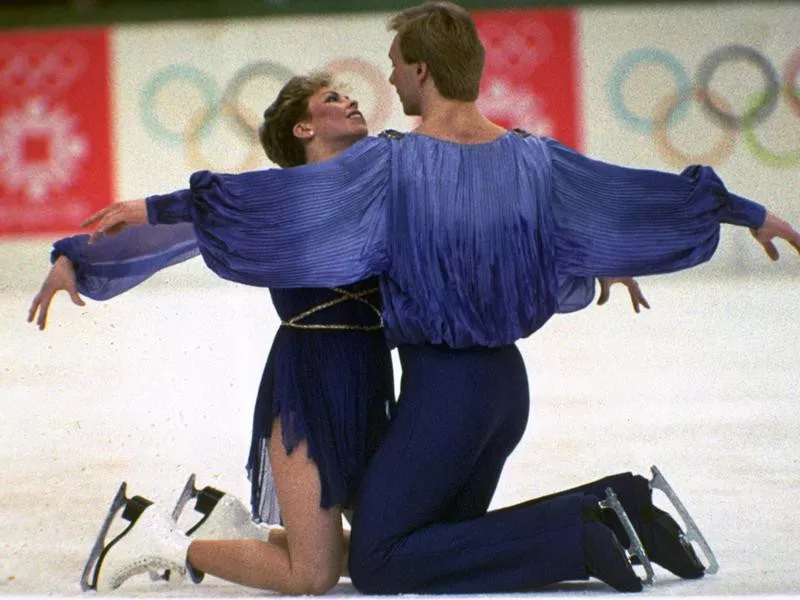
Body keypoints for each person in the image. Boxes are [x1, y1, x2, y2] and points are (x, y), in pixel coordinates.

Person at [48, 1, 800, 594]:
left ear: (419, 72)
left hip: (442, 387)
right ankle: (623, 504)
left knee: (376, 564)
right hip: (502, 387)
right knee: (433, 544)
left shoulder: (389, 167)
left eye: (392, 68)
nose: (384, 84)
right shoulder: (535, 160)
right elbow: (629, 198)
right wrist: (739, 211)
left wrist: (154, 206)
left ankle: (586, 526)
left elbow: (257, 208)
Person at [29, 73, 396, 594]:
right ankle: (159, 541)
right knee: (311, 576)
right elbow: (185, 224)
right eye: (332, 99)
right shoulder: (272, 201)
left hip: (371, 375)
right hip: (309, 379)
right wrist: (76, 258)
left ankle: (232, 530)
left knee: (389, 556)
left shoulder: (375, 180)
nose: (351, 100)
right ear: (303, 127)